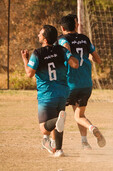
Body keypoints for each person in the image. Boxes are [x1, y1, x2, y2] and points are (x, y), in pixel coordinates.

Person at [21, 25, 79, 157]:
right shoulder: (62, 50)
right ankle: (59, 150)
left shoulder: (38, 53)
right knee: (59, 123)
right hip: (63, 92)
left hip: (47, 94)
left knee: (44, 127)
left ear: (45, 38)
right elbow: (75, 64)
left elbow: (29, 73)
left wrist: (25, 59)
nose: (38, 36)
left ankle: (50, 139)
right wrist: (69, 54)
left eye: (40, 34)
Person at [58, 15, 106, 150]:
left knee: (57, 111)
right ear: (76, 25)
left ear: (62, 28)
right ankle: (86, 140)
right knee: (79, 114)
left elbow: (65, 47)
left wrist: (68, 55)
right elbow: (98, 59)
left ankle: (55, 146)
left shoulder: (62, 39)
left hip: (70, 84)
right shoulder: (85, 39)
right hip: (86, 83)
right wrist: (86, 57)